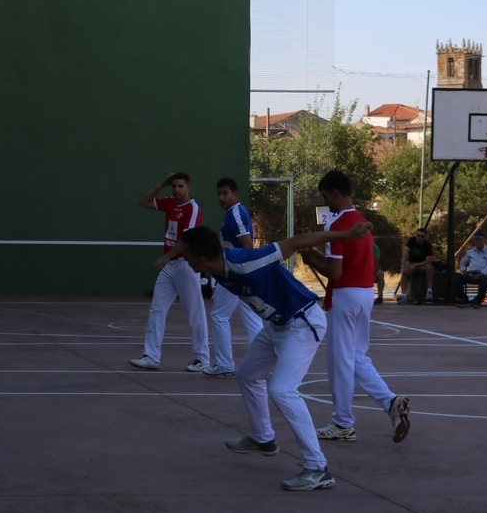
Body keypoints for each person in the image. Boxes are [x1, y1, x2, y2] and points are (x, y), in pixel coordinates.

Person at [180, 220, 372, 491]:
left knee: (282, 390)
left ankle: (317, 468)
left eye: (186, 255)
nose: (184, 259)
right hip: (279, 325)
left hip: (302, 322)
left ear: (200, 259)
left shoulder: (248, 263)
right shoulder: (216, 264)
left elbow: (297, 241)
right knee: (247, 374)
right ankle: (263, 438)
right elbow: (223, 245)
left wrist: (346, 234)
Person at [297, 170, 410, 445]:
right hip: (364, 293)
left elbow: (334, 272)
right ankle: (390, 402)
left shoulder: (338, 227)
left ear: (335, 193)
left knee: (340, 362)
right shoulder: (362, 222)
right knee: (357, 357)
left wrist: (311, 258)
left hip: (345, 295)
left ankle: (343, 422)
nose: (325, 202)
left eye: (325, 196)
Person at [130, 173, 210, 372]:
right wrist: (162, 184)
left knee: (195, 313)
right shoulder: (169, 203)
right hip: (169, 268)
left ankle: (203, 358)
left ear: (188, 188)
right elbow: (143, 201)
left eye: (180, 186)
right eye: (173, 186)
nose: (176, 190)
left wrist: (165, 257)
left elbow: (187, 240)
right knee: (157, 309)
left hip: (186, 266)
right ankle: (151, 356)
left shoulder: (193, 209)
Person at [200, 178, 265, 377]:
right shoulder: (233, 212)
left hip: (233, 272)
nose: (221, 197)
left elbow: (247, 246)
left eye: (225, 193)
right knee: (251, 316)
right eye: (219, 194)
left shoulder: (236, 213)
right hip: (241, 272)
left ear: (235, 194)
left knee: (219, 315)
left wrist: (237, 268)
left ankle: (225, 364)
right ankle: (263, 361)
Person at [454, 232, 487, 307]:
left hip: (485, 274)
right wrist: (463, 270)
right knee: (456, 279)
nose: (478, 242)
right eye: (476, 240)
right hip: (472, 273)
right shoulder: (470, 252)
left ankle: (477, 301)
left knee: (485, 280)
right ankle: (463, 299)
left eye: (480, 240)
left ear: (483, 241)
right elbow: (463, 262)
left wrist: (480, 274)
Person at [397, 228, 434, 304]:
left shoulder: (427, 245)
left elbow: (428, 261)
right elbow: (405, 252)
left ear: (425, 237)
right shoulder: (412, 240)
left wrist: (415, 265)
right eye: (418, 236)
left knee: (429, 267)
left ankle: (429, 291)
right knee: (404, 273)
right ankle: (403, 295)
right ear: (416, 235)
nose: (420, 238)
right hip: (411, 262)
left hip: (421, 264)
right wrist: (403, 267)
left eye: (422, 237)